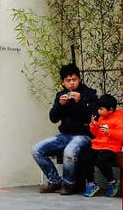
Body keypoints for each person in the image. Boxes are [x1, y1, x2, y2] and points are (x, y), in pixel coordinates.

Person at [30, 62, 98, 195]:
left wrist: (81, 102)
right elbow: (53, 118)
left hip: (83, 136)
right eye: (68, 80)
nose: (72, 83)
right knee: (37, 149)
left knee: (69, 152)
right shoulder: (61, 96)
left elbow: (92, 117)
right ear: (63, 83)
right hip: (64, 135)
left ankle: (68, 184)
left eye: (74, 79)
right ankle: (54, 181)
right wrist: (60, 105)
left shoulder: (89, 94)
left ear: (79, 79)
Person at [80, 93, 123, 197]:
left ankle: (112, 181)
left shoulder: (119, 119)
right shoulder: (101, 117)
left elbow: (122, 136)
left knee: (101, 160)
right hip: (98, 145)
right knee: (85, 156)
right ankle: (91, 183)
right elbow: (96, 134)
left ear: (111, 110)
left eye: (101, 109)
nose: (99, 111)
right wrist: (94, 125)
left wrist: (110, 132)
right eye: (98, 109)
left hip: (111, 146)